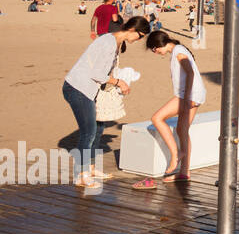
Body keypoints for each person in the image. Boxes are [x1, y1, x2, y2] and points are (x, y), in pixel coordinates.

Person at [63, 16, 151, 189]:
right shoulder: (109, 42)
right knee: (88, 132)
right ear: (132, 30)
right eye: (140, 36)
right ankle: (81, 175)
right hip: (77, 88)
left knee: (99, 128)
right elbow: (96, 73)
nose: (139, 40)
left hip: (88, 89)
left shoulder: (115, 42)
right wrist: (119, 82)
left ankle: (91, 168)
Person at [132, 31, 208, 189]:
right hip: (197, 93)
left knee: (157, 118)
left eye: (154, 49)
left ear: (158, 45)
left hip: (189, 95)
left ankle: (176, 154)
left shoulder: (179, 52)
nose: (155, 52)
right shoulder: (179, 50)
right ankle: (185, 172)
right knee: (182, 130)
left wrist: (186, 97)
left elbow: (190, 72)